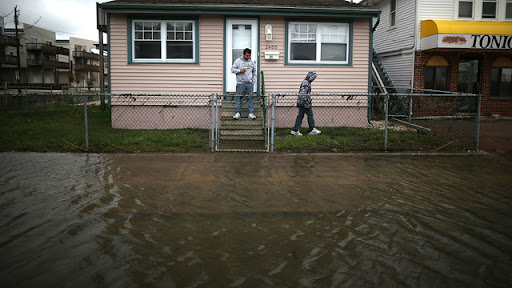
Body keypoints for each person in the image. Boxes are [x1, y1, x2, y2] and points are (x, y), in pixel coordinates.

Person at [291, 71, 321, 136]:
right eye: (314, 77)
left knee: (300, 116)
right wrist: (305, 102)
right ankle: (311, 129)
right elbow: (303, 94)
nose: (314, 79)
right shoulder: (306, 83)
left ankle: (295, 129)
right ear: (310, 77)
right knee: (310, 115)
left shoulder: (306, 82)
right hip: (305, 103)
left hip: (303, 103)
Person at [231, 48, 257, 120]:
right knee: (239, 98)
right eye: (247, 55)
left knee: (250, 99)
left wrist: (253, 81)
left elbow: (254, 72)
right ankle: (238, 113)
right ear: (243, 54)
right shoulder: (238, 61)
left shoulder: (252, 62)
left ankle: (251, 113)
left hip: (249, 84)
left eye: (249, 56)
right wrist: (240, 70)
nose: (248, 57)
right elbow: (232, 70)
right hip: (240, 84)